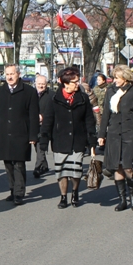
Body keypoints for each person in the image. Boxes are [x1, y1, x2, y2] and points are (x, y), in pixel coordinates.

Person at [40, 67, 95, 208]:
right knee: (62, 172)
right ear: (65, 83)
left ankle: (75, 192)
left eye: (77, 81)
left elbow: (89, 119)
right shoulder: (54, 99)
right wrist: (44, 141)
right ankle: (63, 196)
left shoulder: (82, 98)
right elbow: (48, 121)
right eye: (74, 82)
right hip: (60, 140)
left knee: (76, 172)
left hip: (78, 140)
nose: (77, 84)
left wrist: (91, 140)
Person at [98, 65, 133, 211]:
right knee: (117, 167)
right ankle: (122, 200)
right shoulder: (110, 90)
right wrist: (101, 135)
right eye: (114, 77)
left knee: (128, 167)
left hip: (131, 134)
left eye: (117, 78)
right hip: (114, 134)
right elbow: (106, 114)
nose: (114, 81)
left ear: (125, 78)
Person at [0, 64, 40, 205]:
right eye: (7, 74)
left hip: (21, 132)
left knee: (19, 163)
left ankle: (19, 193)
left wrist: (33, 136)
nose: (9, 77)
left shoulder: (29, 91)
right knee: (8, 163)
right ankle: (12, 189)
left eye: (12, 74)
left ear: (18, 74)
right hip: (5, 132)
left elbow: (34, 116)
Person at [33, 75, 52, 178]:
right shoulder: (32, 94)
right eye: (39, 84)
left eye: (43, 84)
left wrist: (43, 116)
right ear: (35, 84)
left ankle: (37, 167)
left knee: (40, 146)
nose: (41, 86)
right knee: (37, 146)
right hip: (34, 125)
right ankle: (44, 166)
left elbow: (52, 110)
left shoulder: (51, 95)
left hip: (45, 126)